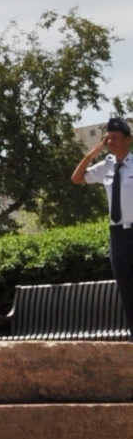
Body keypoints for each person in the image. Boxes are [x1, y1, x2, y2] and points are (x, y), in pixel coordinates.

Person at [72, 114, 133, 337]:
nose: (111, 142)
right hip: (117, 236)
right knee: (126, 290)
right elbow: (77, 178)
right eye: (108, 138)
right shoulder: (105, 165)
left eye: (115, 137)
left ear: (128, 139)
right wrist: (91, 154)